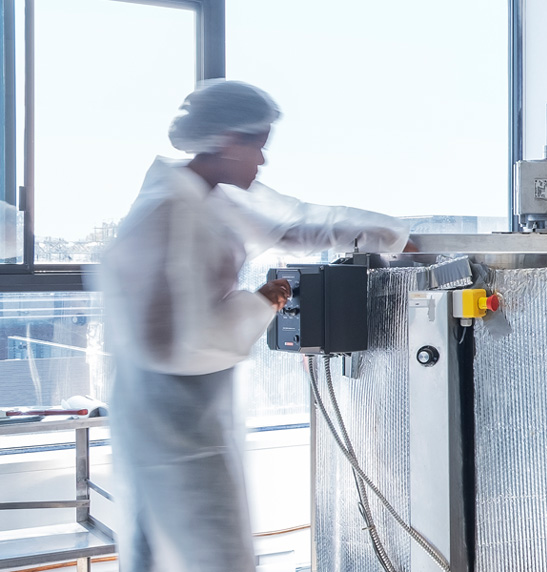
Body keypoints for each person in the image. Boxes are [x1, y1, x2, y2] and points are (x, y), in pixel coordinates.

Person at [98, 80, 410, 571]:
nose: (261, 162)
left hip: (185, 404)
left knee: (165, 545)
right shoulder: (168, 208)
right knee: (209, 547)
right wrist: (260, 303)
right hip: (168, 409)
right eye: (257, 146)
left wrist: (395, 234)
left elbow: (291, 226)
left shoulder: (205, 195)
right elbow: (165, 341)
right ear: (227, 140)